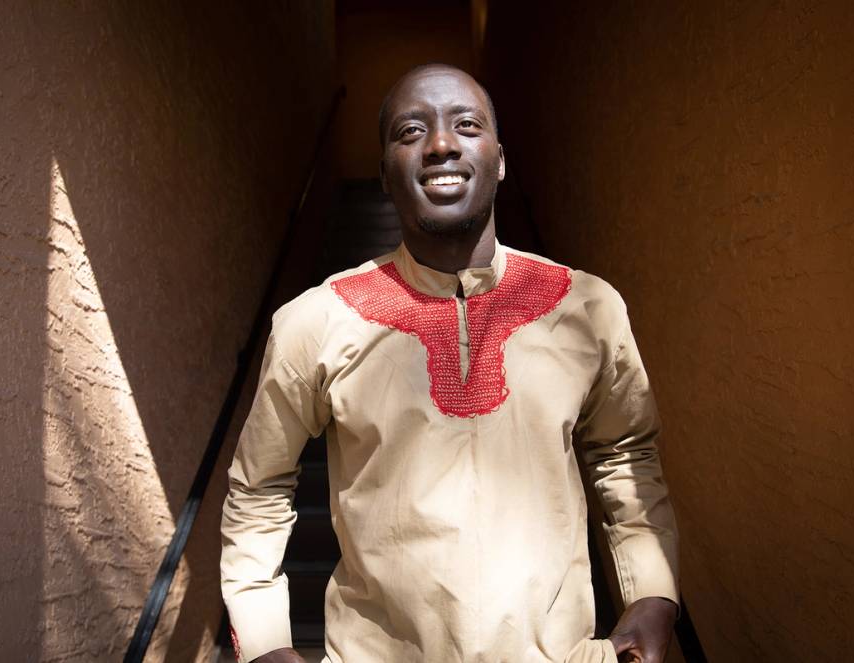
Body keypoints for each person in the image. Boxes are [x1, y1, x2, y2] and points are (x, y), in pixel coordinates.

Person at [220, 64, 679, 663]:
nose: (440, 145)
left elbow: (625, 453)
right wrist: (263, 642)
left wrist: (651, 595)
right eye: (410, 132)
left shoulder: (587, 308)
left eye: (466, 125)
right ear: (385, 172)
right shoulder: (316, 321)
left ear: (501, 159)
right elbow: (259, 485)